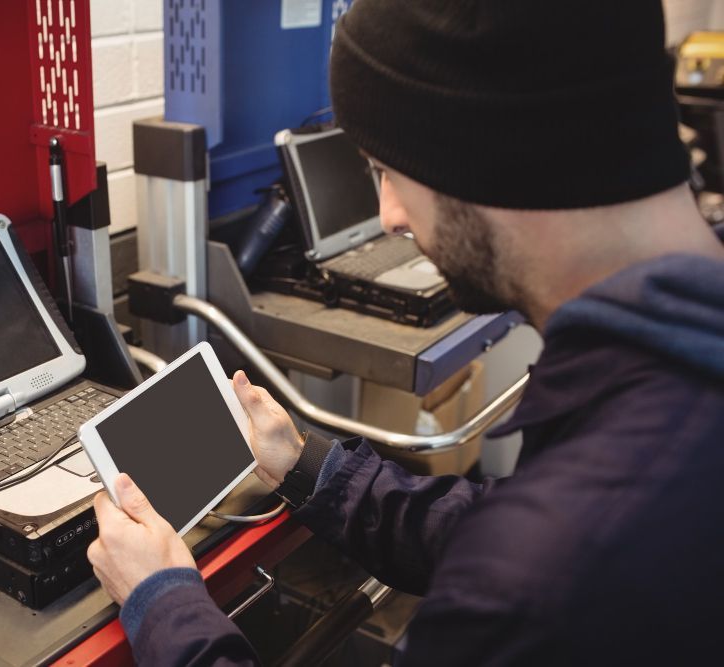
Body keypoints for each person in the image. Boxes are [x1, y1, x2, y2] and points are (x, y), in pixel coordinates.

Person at [87, 0, 724, 664]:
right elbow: (491, 527)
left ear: (489, 154)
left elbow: (527, 557)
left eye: (388, 171)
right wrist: (308, 467)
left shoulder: (540, 582)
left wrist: (163, 602)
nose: (388, 214)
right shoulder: (663, 394)